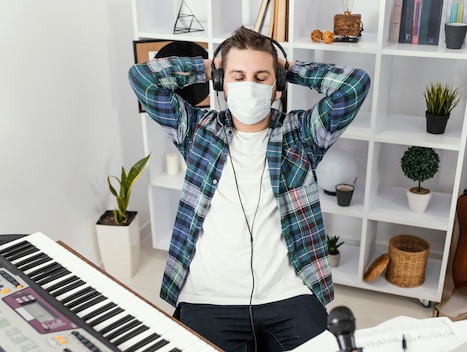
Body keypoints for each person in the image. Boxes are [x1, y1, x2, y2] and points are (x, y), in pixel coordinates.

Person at [128, 26, 370, 351]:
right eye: (237, 76)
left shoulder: (303, 135)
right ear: (222, 84)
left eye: (261, 77)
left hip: (290, 292)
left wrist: (291, 69)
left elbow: (354, 86)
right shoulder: (196, 130)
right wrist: (205, 67)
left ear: (277, 87)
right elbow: (142, 78)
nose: (249, 86)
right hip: (208, 296)